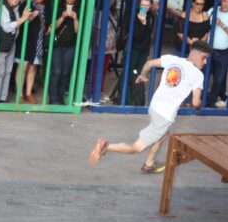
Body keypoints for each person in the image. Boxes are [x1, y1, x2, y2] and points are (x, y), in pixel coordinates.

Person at [90, 40, 212, 173]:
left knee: (164, 134)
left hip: (154, 107)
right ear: (194, 55)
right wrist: (199, 106)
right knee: (137, 147)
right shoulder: (198, 75)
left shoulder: (173, 59)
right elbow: (195, 102)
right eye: (204, 58)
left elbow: (148, 63)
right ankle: (107, 146)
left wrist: (142, 76)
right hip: (164, 115)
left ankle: (149, 164)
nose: (205, 62)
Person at [0, 0, 30, 103]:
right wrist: (23, 19)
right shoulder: (3, 8)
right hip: (2, 44)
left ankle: (3, 98)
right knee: (0, 72)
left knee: (8, 71)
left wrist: (28, 17)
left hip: (12, 43)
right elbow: (6, 27)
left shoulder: (17, 8)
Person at [205, 0, 228, 108]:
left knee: (218, 80)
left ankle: (210, 102)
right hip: (208, 50)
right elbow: (204, 27)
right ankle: (201, 99)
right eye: (224, 1)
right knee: (203, 76)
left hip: (223, 52)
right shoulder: (212, 10)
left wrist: (222, 25)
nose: (225, 4)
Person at [48, 0, 79, 105]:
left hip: (70, 45)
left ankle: (60, 98)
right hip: (57, 44)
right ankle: (53, 99)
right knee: (57, 71)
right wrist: (62, 17)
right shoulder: (58, 7)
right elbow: (53, 27)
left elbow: (78, 31)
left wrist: (75, 19)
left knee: (66, 72)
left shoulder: (79, 9)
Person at [124, 0, 154, 104]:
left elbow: (149, 34)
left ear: (150, 6)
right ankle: (126, 99)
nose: (144, 8)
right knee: (129, 72)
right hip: (133, 48)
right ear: (138, 5)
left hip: (144, 49)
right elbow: (136, 36)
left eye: (147, 5)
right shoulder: (132, 16)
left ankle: (137, 99)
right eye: (142, 5)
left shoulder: (151, 16)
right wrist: (142, 23)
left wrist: (145, 23)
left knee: (139, 73)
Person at [21, 0, 48, 103]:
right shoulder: (27, 4)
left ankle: (28, 93)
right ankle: (20, 94)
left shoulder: (47, 7)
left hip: (39, 41)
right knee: (23, 67)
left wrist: (50, 26)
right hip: (26, 41)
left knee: (33, 67)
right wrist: (31, 16)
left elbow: (49, 21)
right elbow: (21, 22)